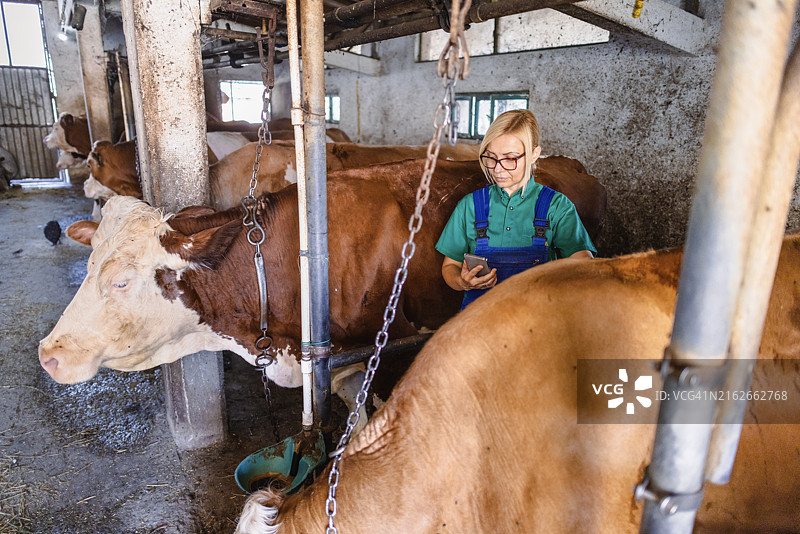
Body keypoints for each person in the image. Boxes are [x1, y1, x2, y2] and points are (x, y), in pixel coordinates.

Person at [435, 109, 596, 309]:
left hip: (535, 320)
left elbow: (583, 265)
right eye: (491, 157)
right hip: (480, 320)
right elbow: (450, 266)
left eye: (510, 158)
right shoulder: (470, 205)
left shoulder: (557, 206)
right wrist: (462, 282)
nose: (497, 169)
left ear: (534, 154)